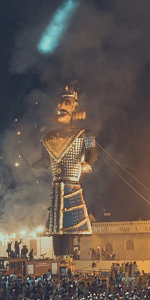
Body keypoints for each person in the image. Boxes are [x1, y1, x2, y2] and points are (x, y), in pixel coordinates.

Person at [33, 84, 98, 258]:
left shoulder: (86, 133)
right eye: (61, 103)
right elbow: (45, 161)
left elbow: (93, 152)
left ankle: (67, 257)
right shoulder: (48, 137)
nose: (61, 107)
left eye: (67, 103)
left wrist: (88, 164)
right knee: (55, 225)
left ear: (75, 108)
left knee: (68, 224)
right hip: (57, 185)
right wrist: (34, 165)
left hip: (72, 183)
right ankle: (58, 257)